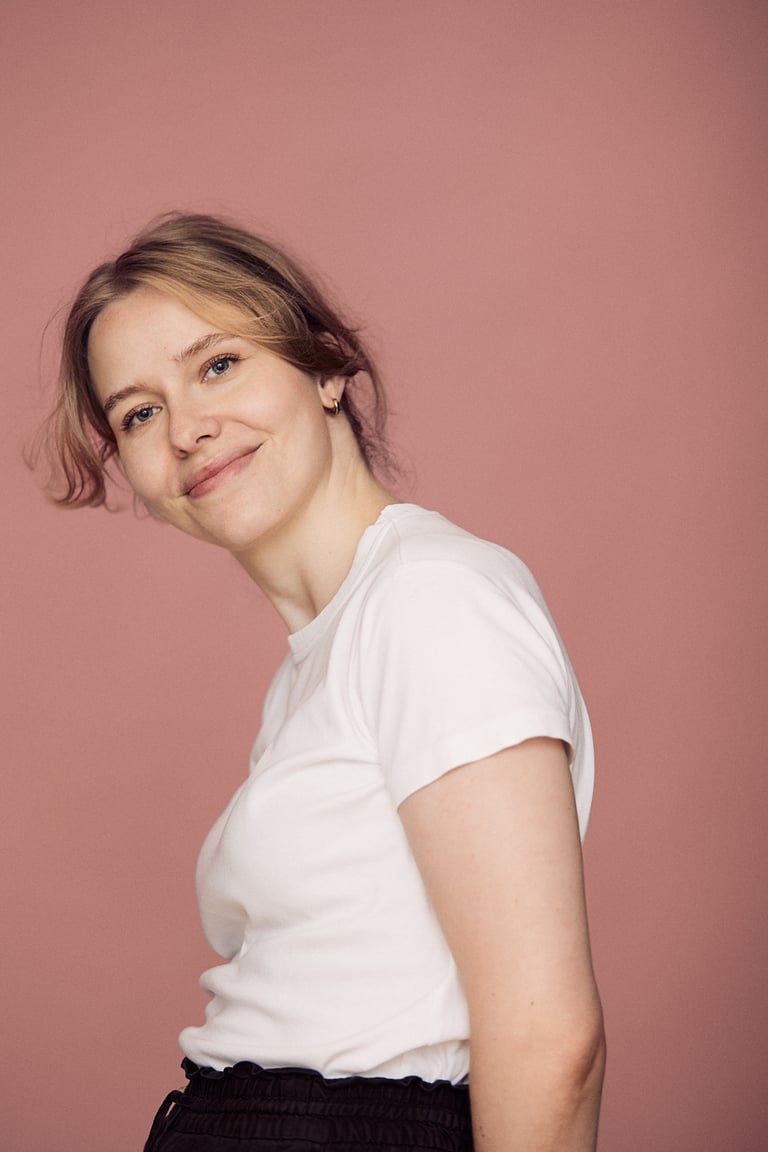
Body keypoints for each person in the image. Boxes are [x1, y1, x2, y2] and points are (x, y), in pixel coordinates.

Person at [43, 213, 605, 1151]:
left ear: (327, 369)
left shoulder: (432, 599)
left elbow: (551, 1038)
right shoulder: (327, 654)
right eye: (139, 412)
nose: (188, 429)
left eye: (218, 365)